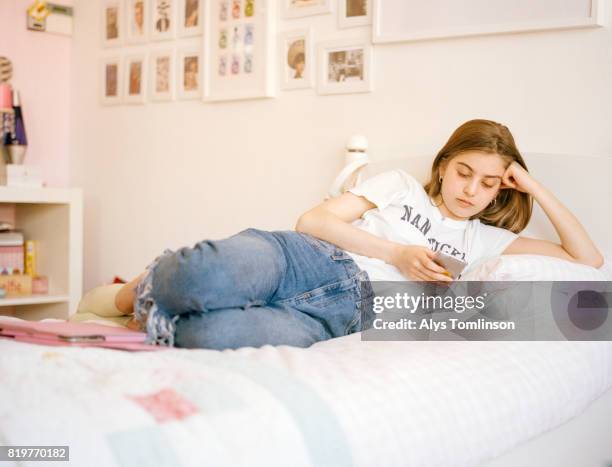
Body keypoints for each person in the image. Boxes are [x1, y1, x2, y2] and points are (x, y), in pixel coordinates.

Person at [113, 119, 603, 349]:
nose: (472, 189)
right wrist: (398, 253)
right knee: (197, 275)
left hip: (346, 316)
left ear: (502, 189)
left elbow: (588, 261)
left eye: (489, 182)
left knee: (207, 335)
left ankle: (152, 306)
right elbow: (313, 221)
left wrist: (533, 185)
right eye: (463, 172)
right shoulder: (400, 186)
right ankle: (136, 290)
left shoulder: (482, 241)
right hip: (309, 257)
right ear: (443, 166)